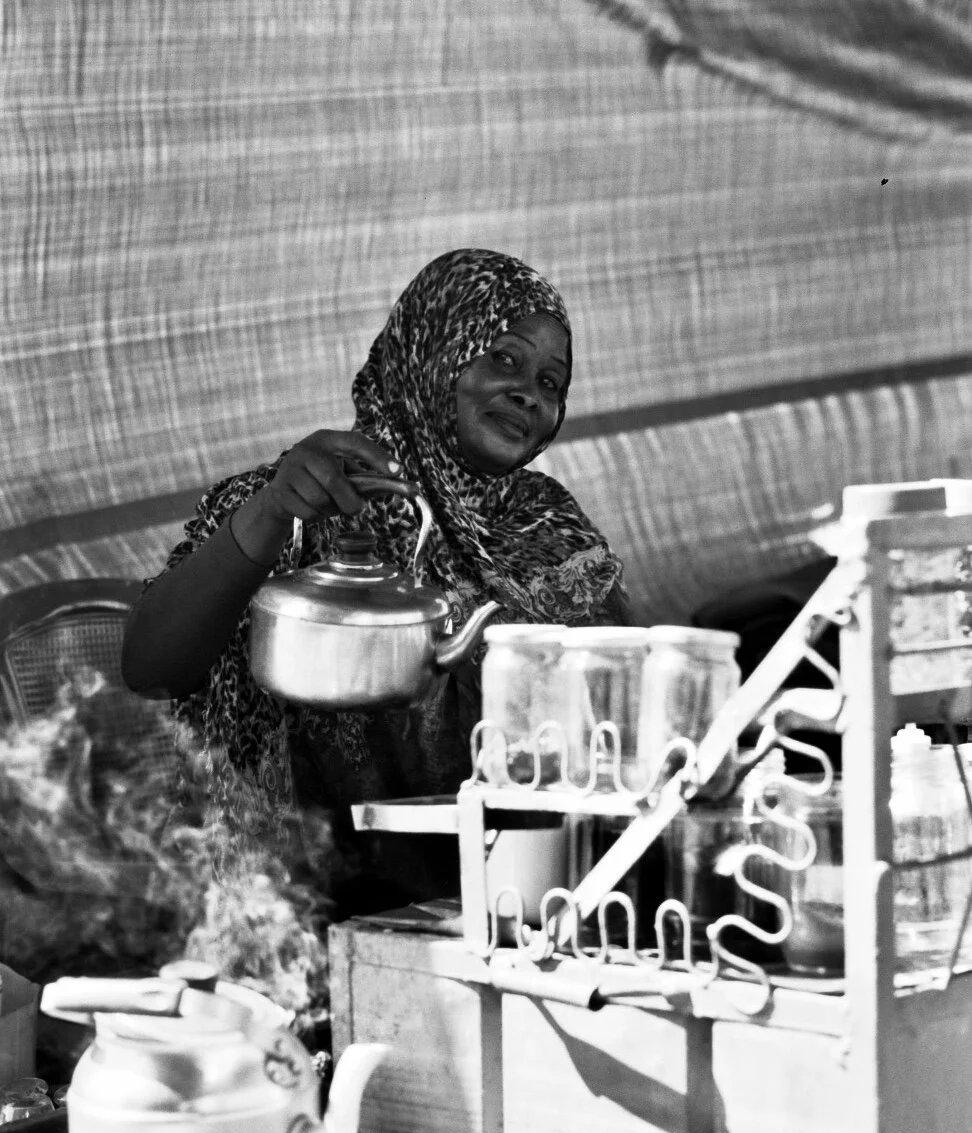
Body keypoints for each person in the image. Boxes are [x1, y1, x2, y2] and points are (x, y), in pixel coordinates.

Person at [123, 248, 630, 914]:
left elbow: (627, 693)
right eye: (502, 357)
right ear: (432, 346)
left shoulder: (547, 522)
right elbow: (151, 665)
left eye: (551, 380)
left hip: (517, 898)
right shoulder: (299, 500)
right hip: (296, 909)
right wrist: (270, 514)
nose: (528, 391)